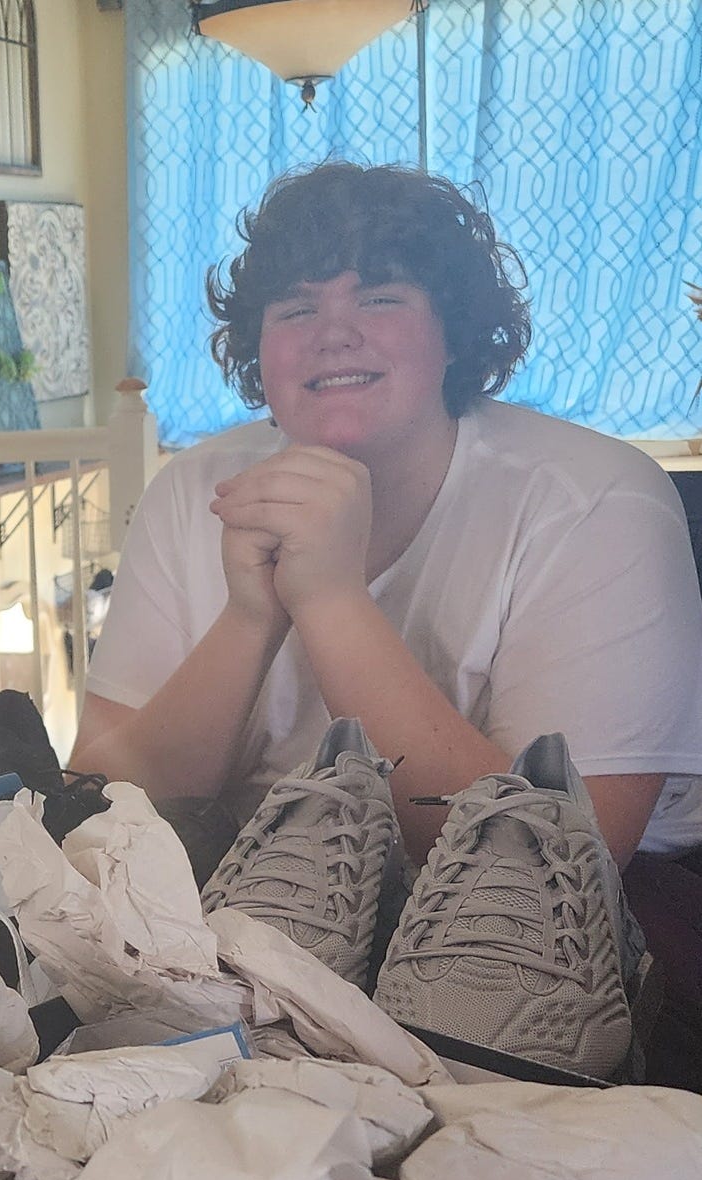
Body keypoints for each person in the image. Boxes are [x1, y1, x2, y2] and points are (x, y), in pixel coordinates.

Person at [72, 160, 702, 1082]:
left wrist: (330, 601)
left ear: (453, 332)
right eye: (293, 309)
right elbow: (109, 790)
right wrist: (251, 618)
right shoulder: (192, 492)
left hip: (544, 953)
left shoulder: (596, 499)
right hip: (262, 904)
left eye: (379, 295)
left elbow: (556, 866)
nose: (333, 332)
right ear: (257, 351)